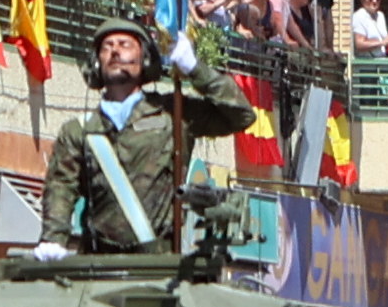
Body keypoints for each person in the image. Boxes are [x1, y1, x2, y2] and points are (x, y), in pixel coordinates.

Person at [36, 21, 254, 260]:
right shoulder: (80, 130)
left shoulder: (174, 115)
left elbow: (241, 116)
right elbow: (61, 186)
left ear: (145, 59)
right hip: (97, 261)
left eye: (125, 45)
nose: (115, 51)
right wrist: (53, 239)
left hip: (158, 263)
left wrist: (195, 69)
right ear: (96, 62)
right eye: (107, 47)